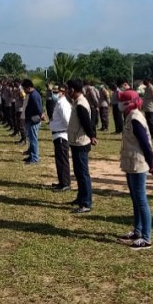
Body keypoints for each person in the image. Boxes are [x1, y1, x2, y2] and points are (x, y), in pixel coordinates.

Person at [115, 90, 153, 250]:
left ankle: (146, 237)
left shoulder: (135, 118)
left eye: (122, 101)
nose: (119, 104)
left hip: (139, 164)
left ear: (129, 102)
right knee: (135, 198)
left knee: (141, 200)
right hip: (131, 163)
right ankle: (137, 230)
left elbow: (146, 144)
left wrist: (152, 164)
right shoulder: (129, 115)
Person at [66, 79, 97, 213]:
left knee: (83, 173)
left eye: (68, 89)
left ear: (73, 89)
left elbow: (87, 122)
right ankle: (80, 198)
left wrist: (92, 136)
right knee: (78, 172)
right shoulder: (77, 102)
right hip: (75, 140)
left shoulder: (81, 104)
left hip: (81, 141)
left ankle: (86, 203)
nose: (67, 92)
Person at [49, 85, 72, 192]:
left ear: (62, 92)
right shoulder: (59, 103)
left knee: (63, 161)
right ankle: (61, 182)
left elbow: (67, 121)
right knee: (59, 161)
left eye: (56, 92)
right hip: (58, 135)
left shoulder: (63, 104)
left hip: (62, 135)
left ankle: (65, 183)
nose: (54, 94)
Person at [22, 79, 43, 165]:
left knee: (33, 139)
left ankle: (35, 158)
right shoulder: (32, 94)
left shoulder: (34, 95)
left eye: (24, 89)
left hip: (34, 120)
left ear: (29, 88)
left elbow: (39, 109)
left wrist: (39, 116)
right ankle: (32, 155)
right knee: (31, 139)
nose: (24, 91)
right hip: (31, 119)